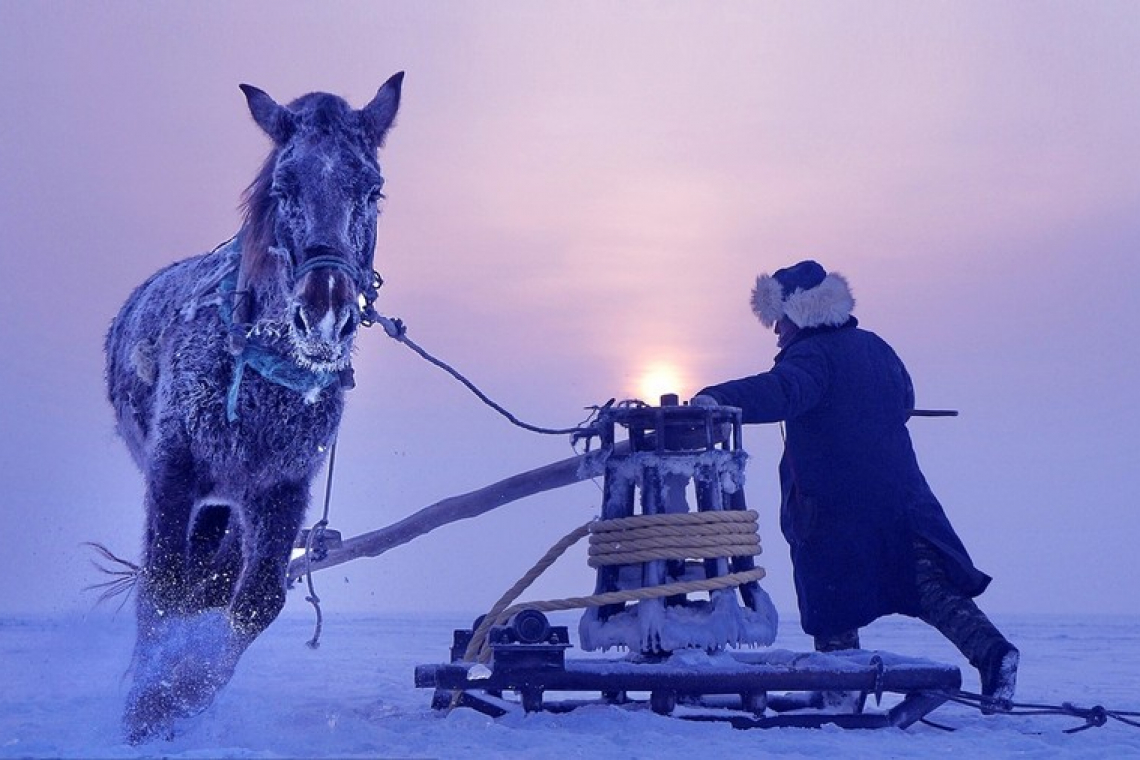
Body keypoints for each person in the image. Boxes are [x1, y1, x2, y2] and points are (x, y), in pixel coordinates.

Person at [692, 260, 1019, 709]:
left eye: (780, 320)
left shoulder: (811, 356)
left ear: (800, 313)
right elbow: (905, 399)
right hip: (901, 502)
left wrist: (719, 399)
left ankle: (840, 692)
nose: (776, 332)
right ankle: (994, 654)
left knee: (832, 603)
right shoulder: (877, 348)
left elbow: (784, 391)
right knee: (930, 589)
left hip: (836, 512)